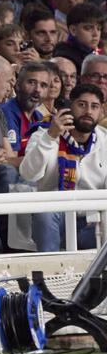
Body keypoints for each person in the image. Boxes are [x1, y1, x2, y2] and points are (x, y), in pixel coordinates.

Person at [20, 82, 107, 251]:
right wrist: (51, 137)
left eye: (94, 106)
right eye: (82, 105)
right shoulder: (44, 134)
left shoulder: (105, 141)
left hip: (91, 221)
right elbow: (28, 174)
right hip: (54, 216)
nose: (88, 111)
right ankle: (51, 274)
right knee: (45, 214)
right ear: (69, 107)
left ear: (101, 112)